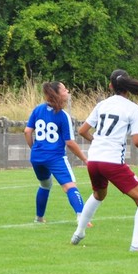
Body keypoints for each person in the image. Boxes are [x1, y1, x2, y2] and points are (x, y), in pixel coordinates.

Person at [71, 69, 138, 252]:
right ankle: (136, 245)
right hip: (111, 162)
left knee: (99, 195)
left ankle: (79, 232)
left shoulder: (102, 105)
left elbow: (82, 131)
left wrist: (98, 142)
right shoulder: (132, 108)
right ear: (127, 86)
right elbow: (136, 140)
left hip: (94, 160)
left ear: (110, 86)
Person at [24, 81, 88, 223]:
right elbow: (70, 142)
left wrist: (34, 149)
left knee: (45, 185)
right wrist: (85, 159)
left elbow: (27, 131)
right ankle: (82, 218)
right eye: (65, 90)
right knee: (70, 186)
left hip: (37, 157)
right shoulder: (63, 116)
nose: (68, 92)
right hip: (55, 157)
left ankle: (39, 218)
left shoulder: (38, 110)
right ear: (58, 94)